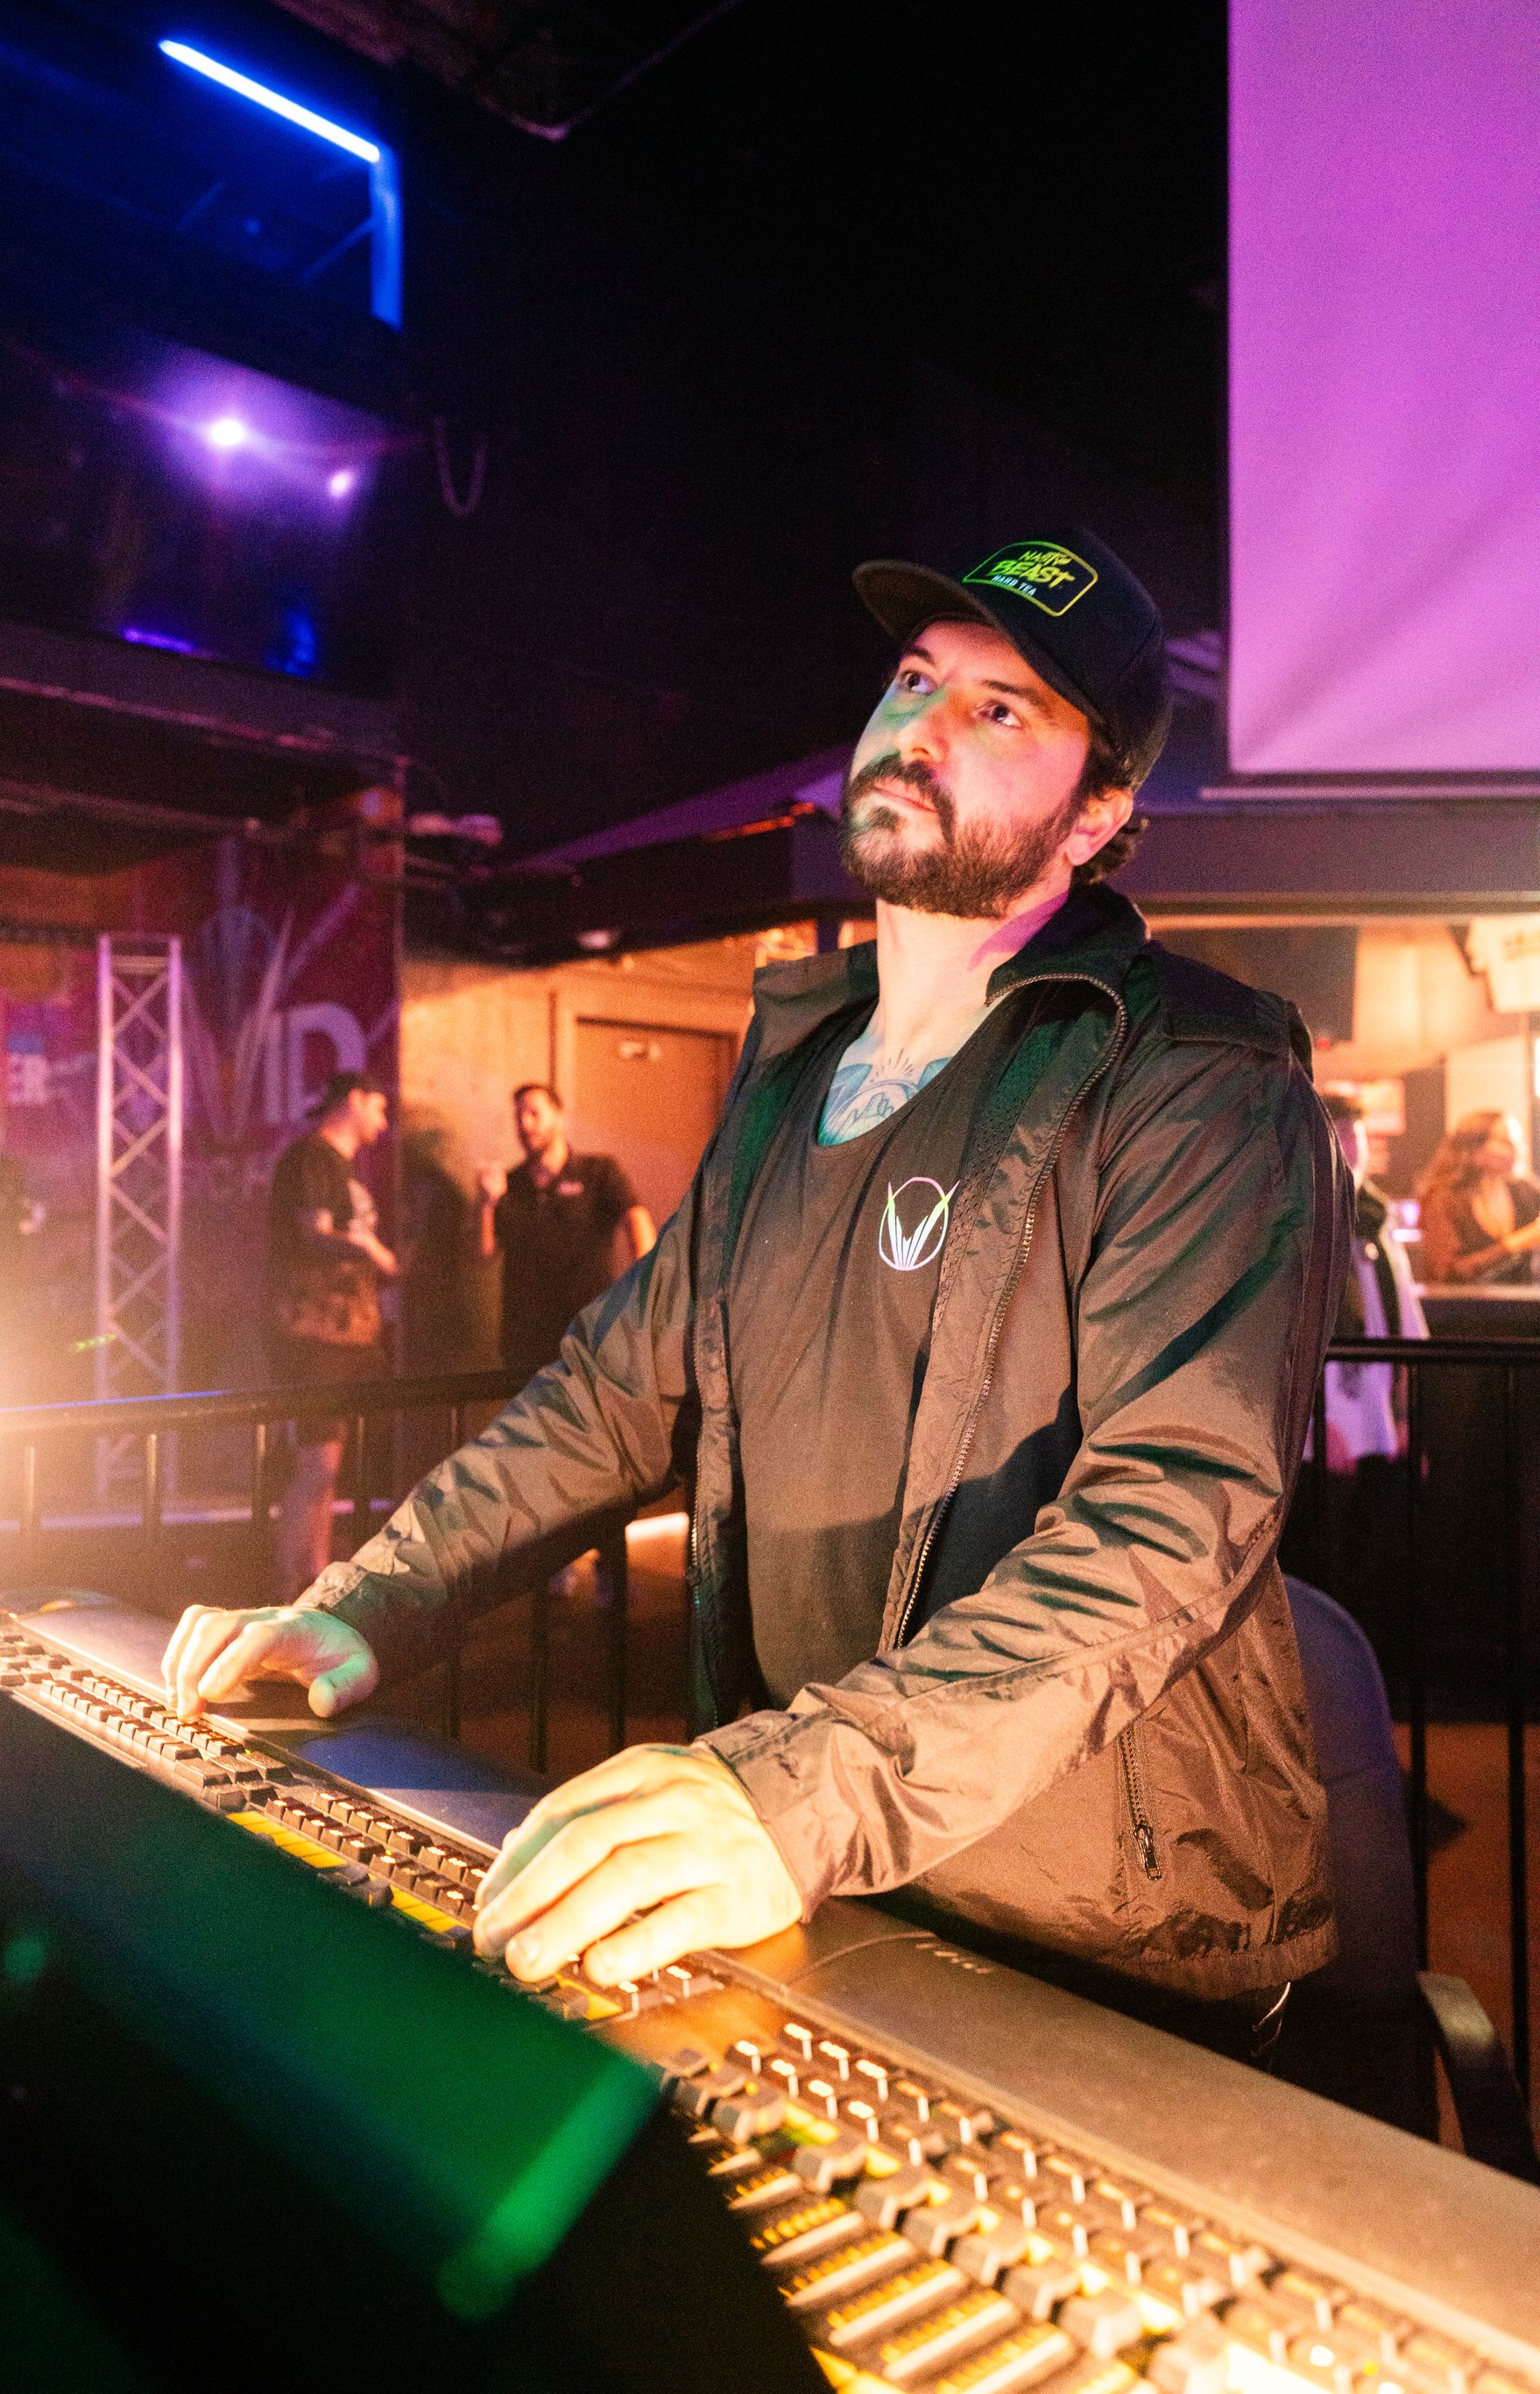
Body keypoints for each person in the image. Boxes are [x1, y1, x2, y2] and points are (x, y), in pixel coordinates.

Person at [168, 525, 1350, 2063]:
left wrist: (795, 1789)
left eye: (1004, 710)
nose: (922, 725)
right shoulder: (796, 1072)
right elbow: (606, 1400)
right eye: (915, 679)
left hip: (1091, 1947)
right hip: (816, 1882)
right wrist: (364, 1606)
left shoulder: (1199, 1069)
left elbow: (1172, 1515)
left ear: (1101, 809)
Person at [1285, 1092, 1427, 1646]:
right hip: (1324, 1433)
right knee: (1324, 1566)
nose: (1351, 1155)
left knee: (1370, 1564)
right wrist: (1323, 1425)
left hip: (1376, 1423)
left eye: (1357, 1143)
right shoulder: (1299, 1219)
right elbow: (1294, 1336)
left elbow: (1404, 1323)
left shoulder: (1373, 1220)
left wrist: (1407, 1414)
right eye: (1339, 1141)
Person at [265, 1070, 398, 1594]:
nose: (384, 1123)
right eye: (379, 1108)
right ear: (356, 1100)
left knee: (327, 1466)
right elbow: (313, 1235)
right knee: (316, 1464)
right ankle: (283, 1581)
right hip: (313, 1333)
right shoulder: (311, 1158)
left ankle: (313, 1576)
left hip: (341, 1336)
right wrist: (371, 1251)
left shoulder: (340, 1166)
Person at [475, 1084, 656, 1375]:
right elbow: (484, 1255)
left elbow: (636, 1220)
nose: (525, 1124)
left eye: (534, 1113)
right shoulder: (511, 1182)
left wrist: (645, 1287)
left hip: (589, 1334)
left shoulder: (598, 1171)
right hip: (525, 1343)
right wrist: (486, 1203)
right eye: (519, 1116)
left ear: (558, 1116)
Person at [1416, 1109, 1540, 1285]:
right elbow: (1445, 1275)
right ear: (1475, 1150)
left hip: (1524, 1310)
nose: (1519, 1148)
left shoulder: (1525, 1192)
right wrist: (1514, 1245)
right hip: (1467, 1310)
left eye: (1518, 1141)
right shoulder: (1443, 1199)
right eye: (1506, 1142)